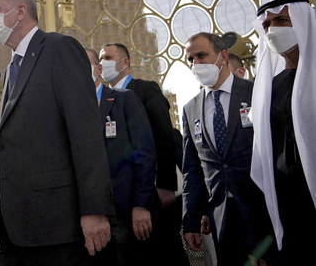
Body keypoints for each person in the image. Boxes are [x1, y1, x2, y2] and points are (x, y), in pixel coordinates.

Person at [0, 0, 114, 266]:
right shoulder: (11, 68)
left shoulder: (59, 49)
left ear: (20, 11)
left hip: (54, 227)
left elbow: (85, 132)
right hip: (16, 229)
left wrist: (94, 210)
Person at [182, 33, 274, 265]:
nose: (196, 63)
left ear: (223, 57)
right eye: (190, 59)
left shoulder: (256, 93)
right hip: (221, 218)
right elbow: (192, 169)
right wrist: (190, 219)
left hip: (263, 212)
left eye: (202, 55)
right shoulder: (190, 109)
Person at [98, 43, 188, 265]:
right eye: (100, 58)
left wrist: (165, 185)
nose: (103, 63)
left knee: (167, 249)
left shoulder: (145, 89)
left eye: (108, 57)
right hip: (126, 195)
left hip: (155, 191)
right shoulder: (102, 100)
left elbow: (164, 135)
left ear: (125, 62)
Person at [251, 0, 316, 263]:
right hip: (288, 204)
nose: (273, 30)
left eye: (281, 20)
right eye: (267, 25)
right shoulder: (269, 88)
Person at [86, 47, 157, 265]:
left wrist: (141, 204)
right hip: (89, 216)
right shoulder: (68, 110)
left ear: (97, 69)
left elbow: (144, 153)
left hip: (125, 211)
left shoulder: (124, 99)